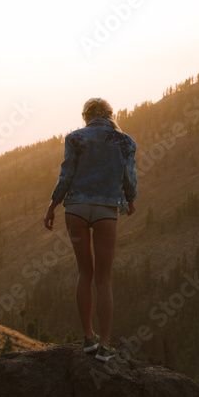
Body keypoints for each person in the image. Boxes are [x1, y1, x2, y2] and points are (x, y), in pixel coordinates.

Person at [44, 98, 137, 362]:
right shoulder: (125, 142)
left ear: (85, 116)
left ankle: (88, 338)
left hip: (75, 209)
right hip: (106, 210)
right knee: (104, 279)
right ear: (111, 115)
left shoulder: (75, 138)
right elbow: (129, 177)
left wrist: (52, 206)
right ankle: (105, 346)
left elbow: (66, 175)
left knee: (85, 272)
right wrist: (130, 200)